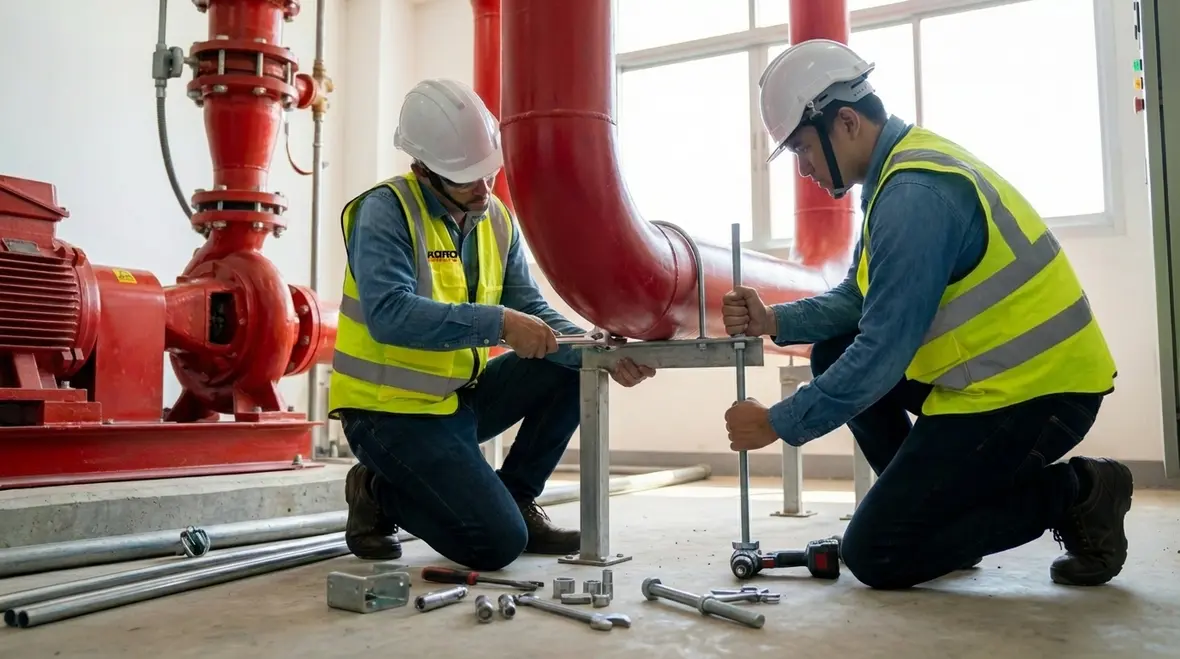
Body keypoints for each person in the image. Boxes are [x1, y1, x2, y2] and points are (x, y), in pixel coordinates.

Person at [721, 39, 1132, 590]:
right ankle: (933, 517)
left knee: (876, 553)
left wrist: (778, 422)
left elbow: (883, 352)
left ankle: (1079, 491)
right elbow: (856, 303)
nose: (806, 170)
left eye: (803, 150)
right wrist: (775, 321)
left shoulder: (914, 194)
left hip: (1037, 395)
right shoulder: (894, 177)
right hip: (991, 386)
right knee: (833, 349)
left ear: (844, 122)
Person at [328, 78, 656, 570]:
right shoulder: (384, 212)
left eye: (489, 174)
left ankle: (516, 497)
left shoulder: (496, 218)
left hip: (460, 397)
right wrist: (500, 324)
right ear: (423, 170)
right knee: (496, 545)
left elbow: (535, 315)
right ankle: (376, 489)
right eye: (467, 179)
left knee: (570, 367)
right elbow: (390, 315)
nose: (484, 190)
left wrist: (598, 351)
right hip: (388, 415)